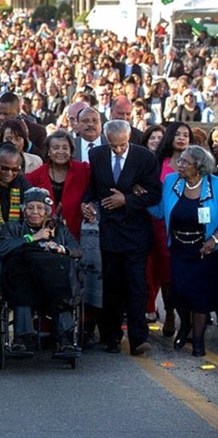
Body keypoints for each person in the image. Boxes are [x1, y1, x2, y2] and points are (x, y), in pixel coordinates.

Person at [82, 119, 161, 356]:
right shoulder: (96, 155)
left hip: (135, 230)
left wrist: (127, 200)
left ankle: (138, 338)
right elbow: (93, 189)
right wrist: (87, 204)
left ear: (129, 139)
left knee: (136, 285)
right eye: (113, 145)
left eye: (122, 145)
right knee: (112, 286)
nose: (117, 150)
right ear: (106, 140)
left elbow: (154, 194)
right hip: (109, 231)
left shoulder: (145, 157)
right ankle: (111, 336)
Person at [0, 187, 83, 358]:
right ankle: (21, 339)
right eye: (30, 207)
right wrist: (32, 238)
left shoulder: (59, 230)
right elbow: (0, 248)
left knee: (62, 285)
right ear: (24, 210)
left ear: (47, 211)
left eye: (40, 208)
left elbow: (77, 249)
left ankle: (65, 340)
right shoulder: (12, 228)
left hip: (52, 283)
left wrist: (61, 248)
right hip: (23, 283)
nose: (35, 212)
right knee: (19, 279)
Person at [149, 145, 218, 357]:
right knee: (180, 293)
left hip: (205, 251)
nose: (179, 165)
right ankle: (184, 327)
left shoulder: (215, 185)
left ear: (199, 167)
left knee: (201, 297)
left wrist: (214, 239)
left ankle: (198, 342)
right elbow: (160, 211)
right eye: (180, 161)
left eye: (185, 162)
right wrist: (142, 198)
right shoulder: (171, 182)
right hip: (179, 249)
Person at [149, 122, 191, 335]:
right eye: (178, 134)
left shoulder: (196, 163)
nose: (182, 138)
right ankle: (170, 313)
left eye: (186, 135)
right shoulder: (159, 162)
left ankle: (187, 318)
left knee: (187, 273)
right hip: (161, 226)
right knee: (166, 274)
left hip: (189, 226)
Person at [25, 130, 90, 240]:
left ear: (71, 151)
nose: (60, 151)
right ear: (48, 151)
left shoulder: (83, 170)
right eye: (55, 147)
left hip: (75, 234)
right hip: (44, 235)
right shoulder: (36, 176)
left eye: (65, 148)